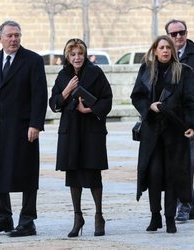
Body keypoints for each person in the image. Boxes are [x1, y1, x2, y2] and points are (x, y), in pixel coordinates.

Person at [0, 20, 48, 237]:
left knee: (27, 174)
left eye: (17, 35)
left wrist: (36, 124)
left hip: (24, 128)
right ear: (0, 38)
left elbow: (40, 95)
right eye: (9, 35)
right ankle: (3, 217)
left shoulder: (33, 60)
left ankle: (27, 221)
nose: (14, 39)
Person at [130, 35, 194, 233]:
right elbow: (137, 96)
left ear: (173, 51)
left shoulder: (183, 72)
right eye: (161, 47)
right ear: (155, 50)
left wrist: (192, 126)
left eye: (168, 47)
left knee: (171, 176)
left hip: (175, 133)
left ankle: (170, 218)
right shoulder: (146, 70)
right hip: (152, 132)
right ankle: (155, 216)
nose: (165, 51)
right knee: (153, 174)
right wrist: (148, 106)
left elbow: (191, 102)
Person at [49, 38, 112, 237]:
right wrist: (66, 91)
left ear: (85, 55)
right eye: (73, 54)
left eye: (80, 54)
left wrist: (90, 109)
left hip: (91, 128)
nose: (77, 58)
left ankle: (99, 216)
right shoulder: (62, 75)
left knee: (93, 173)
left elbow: (107, 99)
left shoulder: (96, 72)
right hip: (70, 130)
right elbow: (54, 103)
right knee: (73, 174)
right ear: (67, 56)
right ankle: (77, 217)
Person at [165, 19, 194, 222]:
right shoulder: (163, 54)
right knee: (173, 162)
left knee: (186, 161)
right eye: (173, 34)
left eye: (181, 32)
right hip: (169, 119)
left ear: (186, 32)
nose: (178, 37)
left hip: (191, 116)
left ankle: (184, 204)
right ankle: (189, 204)